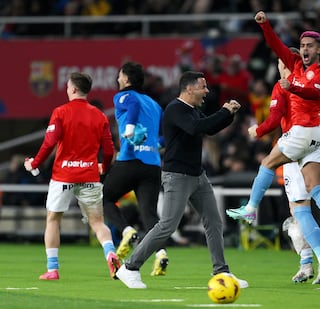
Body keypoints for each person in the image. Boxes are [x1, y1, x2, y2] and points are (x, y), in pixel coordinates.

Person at [115, 71, 248, 289]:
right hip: (177, 176)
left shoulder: (192, 110)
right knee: (167, 225)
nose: (207, 91)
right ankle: (129, 268)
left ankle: (221, 272)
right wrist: (223, 111)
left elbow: (210, 129)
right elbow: (197, 128)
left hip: (197, 175)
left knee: (213, 221)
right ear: (188, 89)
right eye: (202, 86)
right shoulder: (175, 109)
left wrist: (229, 113)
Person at [227, 10, 320, 246]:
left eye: (310, 46)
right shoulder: (295, 67)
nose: (304, 50)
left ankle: (251, 209)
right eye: (302, 45)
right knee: (313, 186)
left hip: (301, 133)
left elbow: (313, 93)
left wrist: (259, 130)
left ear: (319, 49)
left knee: (267, 164)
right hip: (318, 140)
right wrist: (265, 26)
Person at [247, 50, 320, 284]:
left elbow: (275, 119)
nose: (279, 68)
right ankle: (307, 264)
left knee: (299, 211)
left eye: (281, 64)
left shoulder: (286, 86)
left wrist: (259, 130)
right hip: (317, 143)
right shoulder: (316, 88)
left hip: (294, 150)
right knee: (297, 210)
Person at [23, 72, 119, 280]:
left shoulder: (60, 112)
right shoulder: (100, 115)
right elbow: (109, 148)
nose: (67, 89)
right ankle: (110, 253)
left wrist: (34, 163)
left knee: (53, 219)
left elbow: (49, 143)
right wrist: (104, 166)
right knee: (98, 223)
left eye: (67, 87)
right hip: (90, 175)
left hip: (63, 176)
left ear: (73, 89)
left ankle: (52, 269)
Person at [102, 61, 168, 276]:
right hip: (152, 165)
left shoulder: (123, 96)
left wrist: (129, 129)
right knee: (149, 213)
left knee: (104, 198)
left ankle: (127, 231)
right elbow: (164, 133)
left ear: (126, 79)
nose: (118, 79)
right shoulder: (155, 105)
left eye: (120, 75)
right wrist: (156, 145)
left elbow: (132, 105)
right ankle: (161, 253)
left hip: (130, 160)